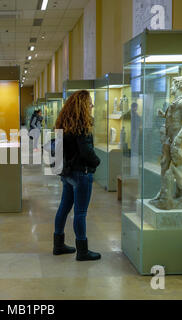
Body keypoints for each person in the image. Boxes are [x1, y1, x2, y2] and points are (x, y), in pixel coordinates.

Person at [53, 90, 101, 261]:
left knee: (64, 208)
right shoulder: (82, 124)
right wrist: (97, 161)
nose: (92, 106)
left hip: (67, 173)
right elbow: (86, 151)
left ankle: (58, 244)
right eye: (89, 103)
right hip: (81, 172)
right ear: (82, 105)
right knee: (80, 213)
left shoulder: (64, 122)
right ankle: (82, 250)